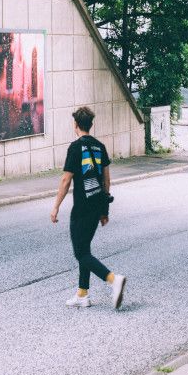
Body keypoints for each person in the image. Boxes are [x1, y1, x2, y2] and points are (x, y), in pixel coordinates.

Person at [50, 105, 127, 310]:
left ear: (75, 124)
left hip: (82, 208)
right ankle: (82, 294)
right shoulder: (100, 147)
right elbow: (106, 180)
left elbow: (66, 180)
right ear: (91, 125)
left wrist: (56, 206)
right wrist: (104, 211)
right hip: (96, 206)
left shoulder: (75, 148)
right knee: (85, 248)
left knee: (81, 253)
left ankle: (113, 279)